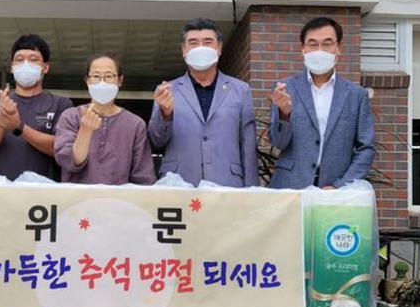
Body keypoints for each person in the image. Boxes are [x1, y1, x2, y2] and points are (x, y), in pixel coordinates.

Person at [148, 18, 258, 187]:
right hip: (179, 183)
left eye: (207, 42)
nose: (200, 48)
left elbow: (248, 146)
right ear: (184, 50)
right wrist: (165, 114)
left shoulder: (240, 90)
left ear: (219, 48)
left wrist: (252, 190)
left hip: (227, 183)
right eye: (193, 43)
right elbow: (156, 141)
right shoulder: (167, 90)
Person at [269, 17, 375, 189]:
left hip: (334, 189)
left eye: (327, 44)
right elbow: (278, 142)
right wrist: (284, 114)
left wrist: (340, 185)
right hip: (290, 186)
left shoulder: (356, 95)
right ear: (302, 49)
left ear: (338, 48)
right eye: (312, 44)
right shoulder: (285, 89)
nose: (319, 50)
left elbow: (366, 148)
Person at [0, 34, 73, 181]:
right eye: (19, 60)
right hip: (3, 189)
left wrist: (19, 127)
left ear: (45, 67)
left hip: (46, 190)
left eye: (33, 59)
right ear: (12, 67)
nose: (26, 64)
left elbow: (60, 148)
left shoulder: (61, 104)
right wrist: (1, 121)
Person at [54, 54, 156, 185]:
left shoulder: (135, 124)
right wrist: (85, 131)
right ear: (87, 80)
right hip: (77, 197)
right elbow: (68, 161)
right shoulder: (71, 116)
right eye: (96, 76)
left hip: (118, 197)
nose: (102, 82)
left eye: (109, 76)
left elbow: (143, 177)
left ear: (119, 80)